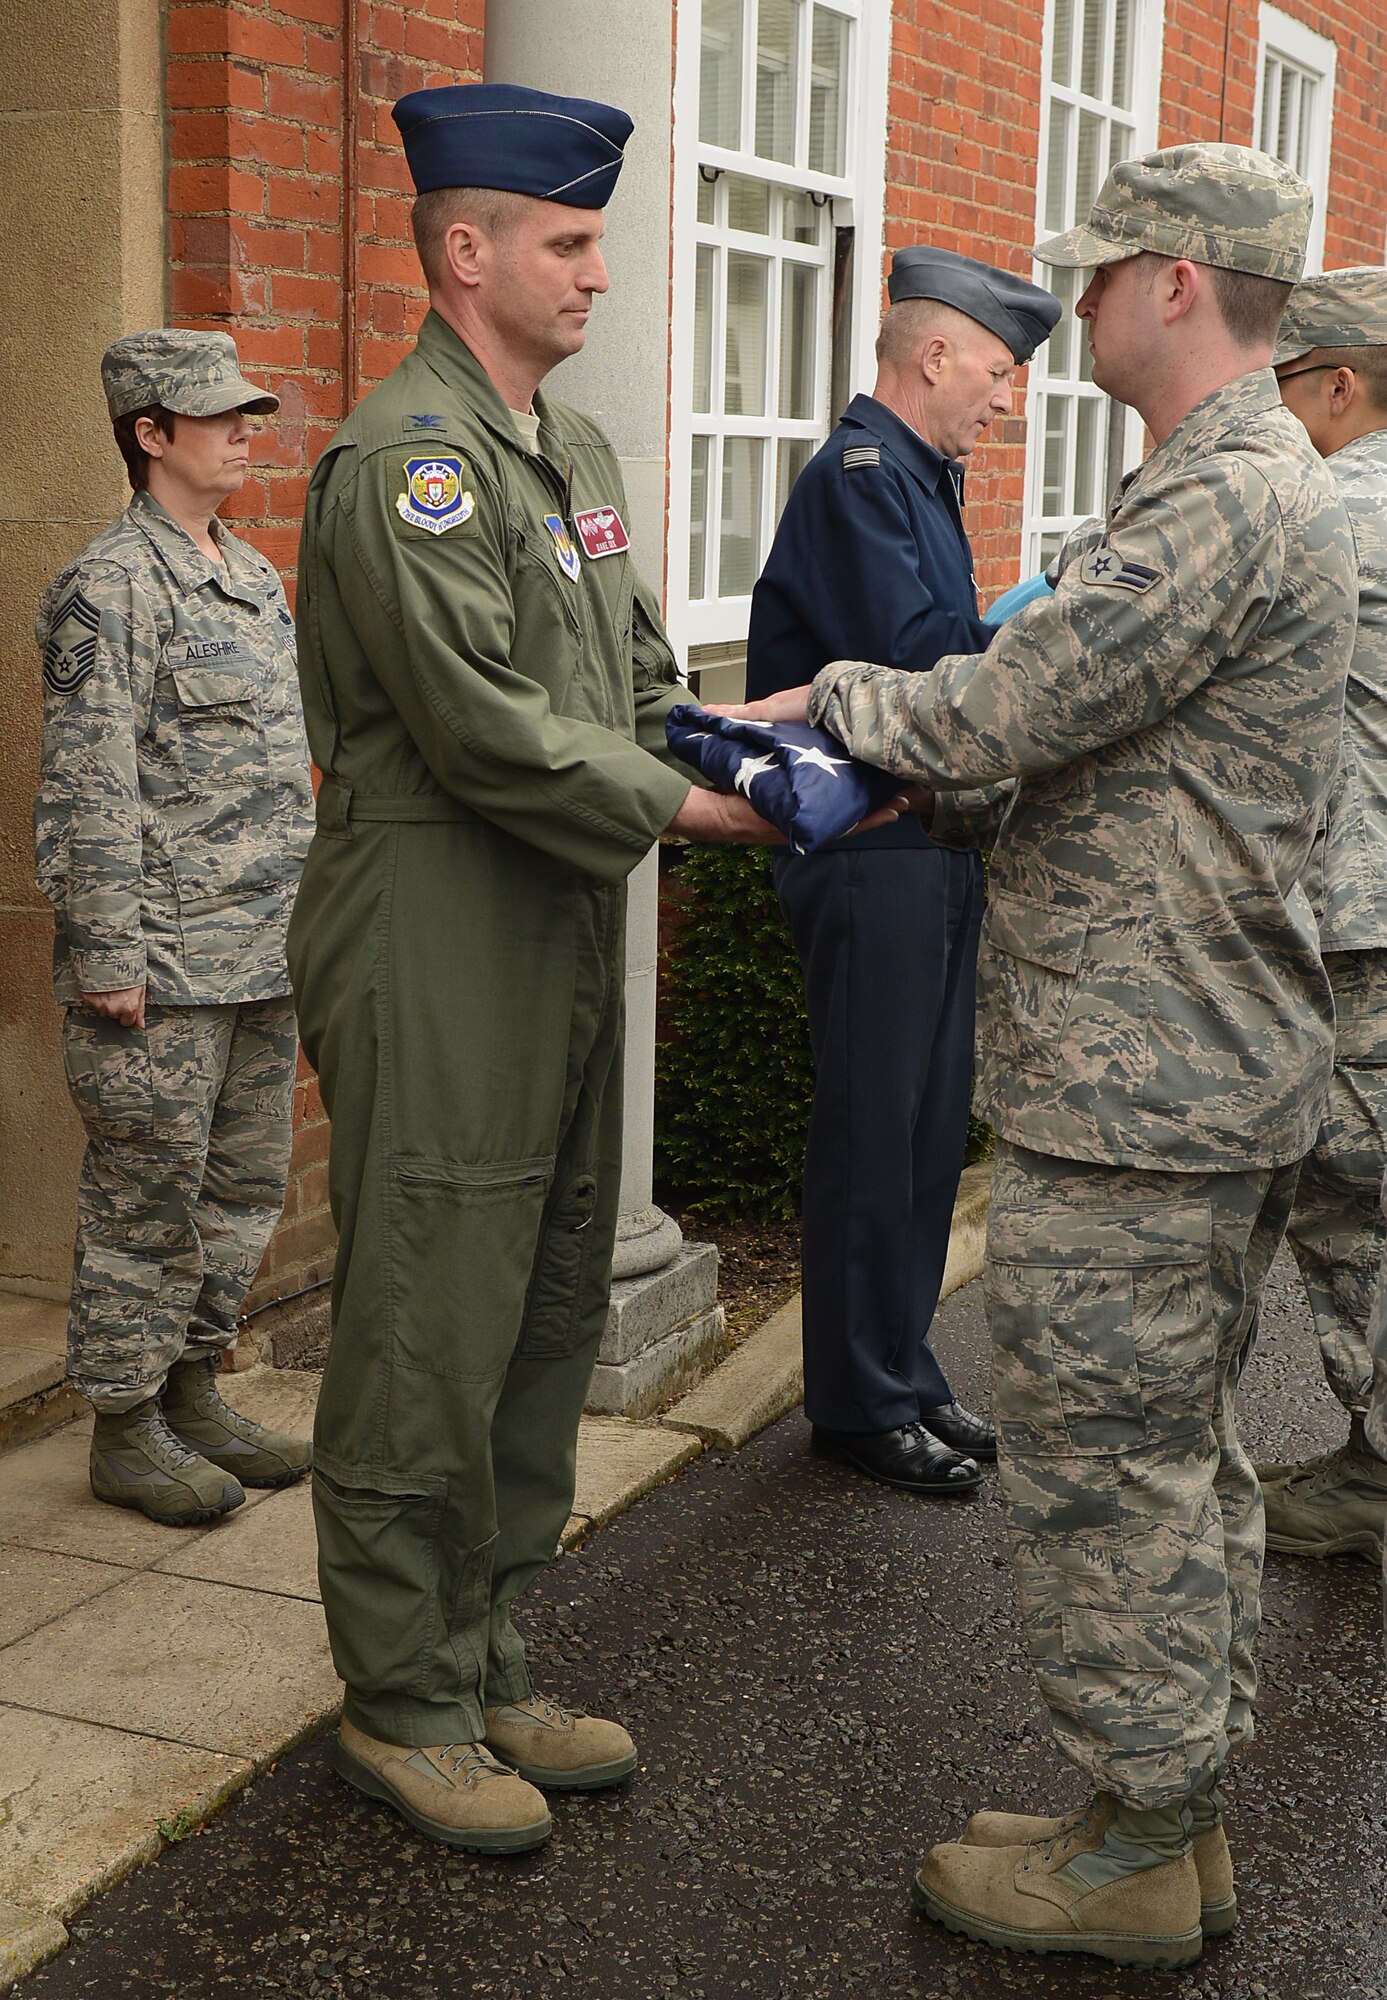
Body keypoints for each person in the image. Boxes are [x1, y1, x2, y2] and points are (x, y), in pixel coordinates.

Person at [724, 144, 1357, 1967]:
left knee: (1111, 1476)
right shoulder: (1239, 484)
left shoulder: (1226, 498)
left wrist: (809, 703)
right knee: (1176, 1460)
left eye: (1090, 278)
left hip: (1145, 1078)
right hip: (1178, 1063)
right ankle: (1161, 1810)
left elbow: (1004, 705)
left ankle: (1142, 1846)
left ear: (1171, 281)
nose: (1063, 312)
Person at [288, 83, 868, 1858]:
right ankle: (397, 1701)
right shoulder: (410, 460)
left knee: (540, 1300)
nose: (599, 274)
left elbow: (614, 697)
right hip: (440, 912)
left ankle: (482, 1657)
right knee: (426, 1322)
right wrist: (718, 818)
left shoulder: (575, 456)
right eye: (569, 240)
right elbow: (478, 733)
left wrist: (760, 731)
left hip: (549, 911)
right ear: (466, 252)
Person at [745, 247, 1060, 1496]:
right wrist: (1040, 619)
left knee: (928, 1129)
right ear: (932, 355)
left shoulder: (919, 477)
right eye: (996, 370)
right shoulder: (866, 478)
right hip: (868, 846)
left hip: (923, 842)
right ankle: (856, 1401)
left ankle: (905, 1367)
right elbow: (918, 668)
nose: (1006, 399)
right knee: (875, 1126)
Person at [34, 329, 315, 1527]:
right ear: (151, 433)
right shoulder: (108, 585)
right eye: (218, 414)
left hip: (261, 946)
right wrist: (106, 955)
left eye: (247, 410)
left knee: (240, 1190)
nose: (245, 429)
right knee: (145, 1197)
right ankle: (126, 1424)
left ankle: (195, 1388)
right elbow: (86, 782)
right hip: (161, 965)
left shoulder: (250, 575)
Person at [1247, 270, 1387, 1567]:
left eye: (1277, 386)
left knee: (1349, 1212)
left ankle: (1377, 1473)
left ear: (1334, 385)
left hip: (1351, 929)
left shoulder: (1332, 509)